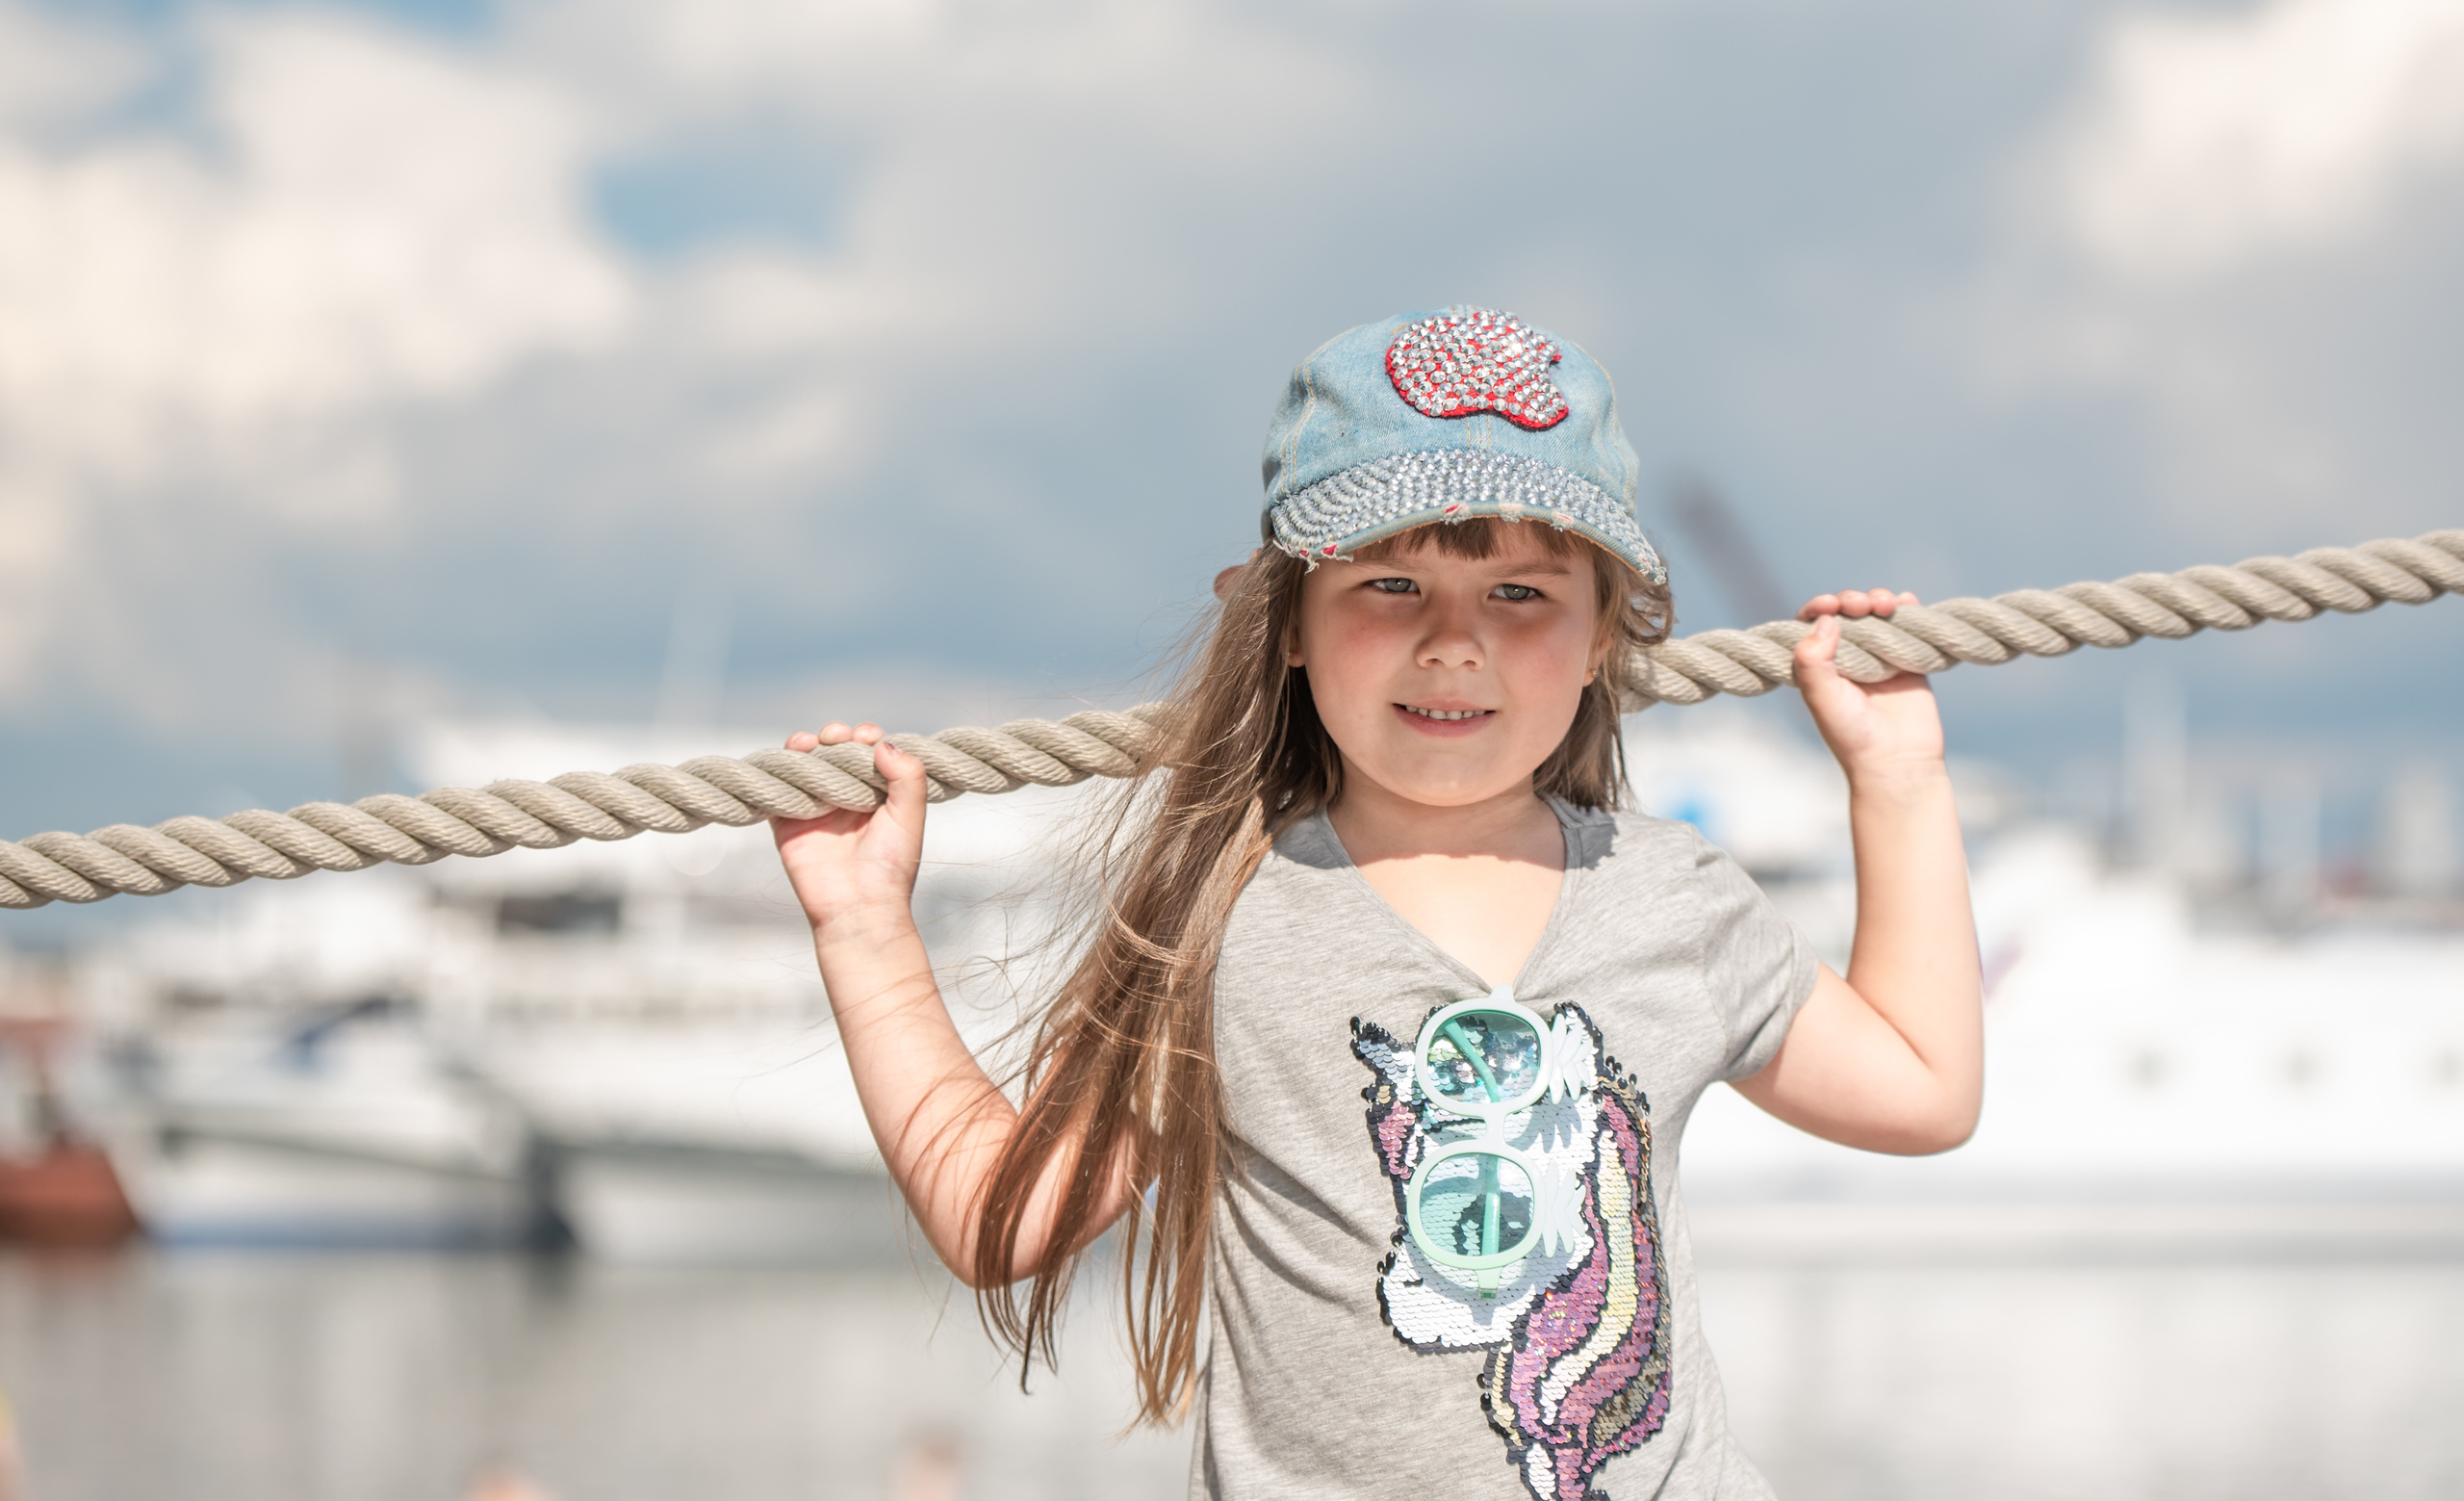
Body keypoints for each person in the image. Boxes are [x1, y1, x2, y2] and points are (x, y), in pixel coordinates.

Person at [772, 307, 1982, 1501]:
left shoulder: (1672, 894)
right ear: (1284, 620)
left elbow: (1922, 1089)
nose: (1453, 642)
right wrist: (863, 924)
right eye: (1392, 583)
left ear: (1600, 634)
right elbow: (1001, 1219)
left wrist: (1899, 781)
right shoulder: (1221, 922)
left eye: (1521, 593)